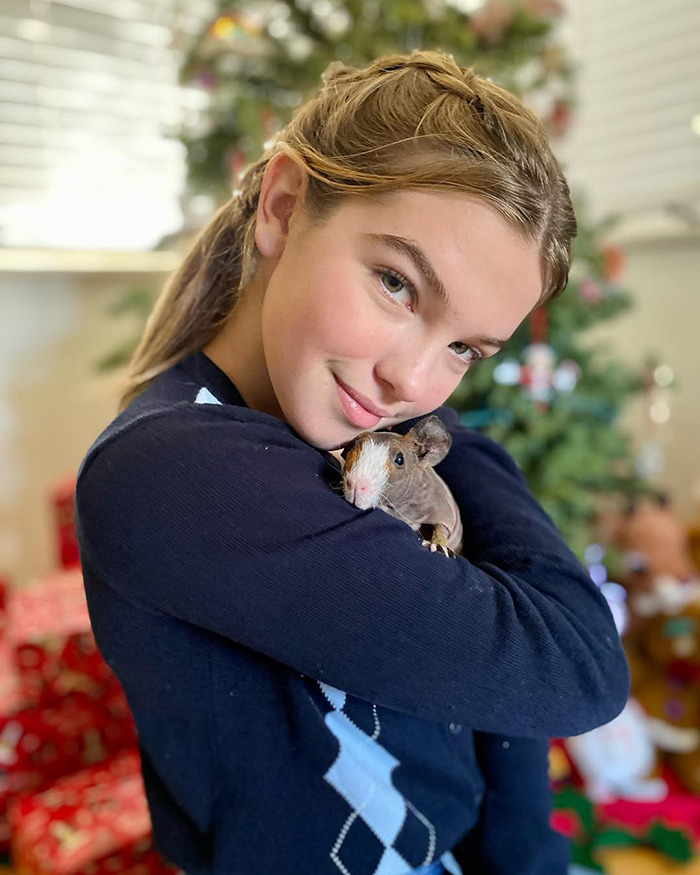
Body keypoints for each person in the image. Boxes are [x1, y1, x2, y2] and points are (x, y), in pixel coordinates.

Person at [74, 49, 629, 875]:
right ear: (285, 205)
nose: (414, 380)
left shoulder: (367, 444)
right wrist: (445, 443)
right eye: (398, 285)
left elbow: (496, 712)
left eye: (467, 348)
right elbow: (575, 664)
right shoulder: (171, 469)